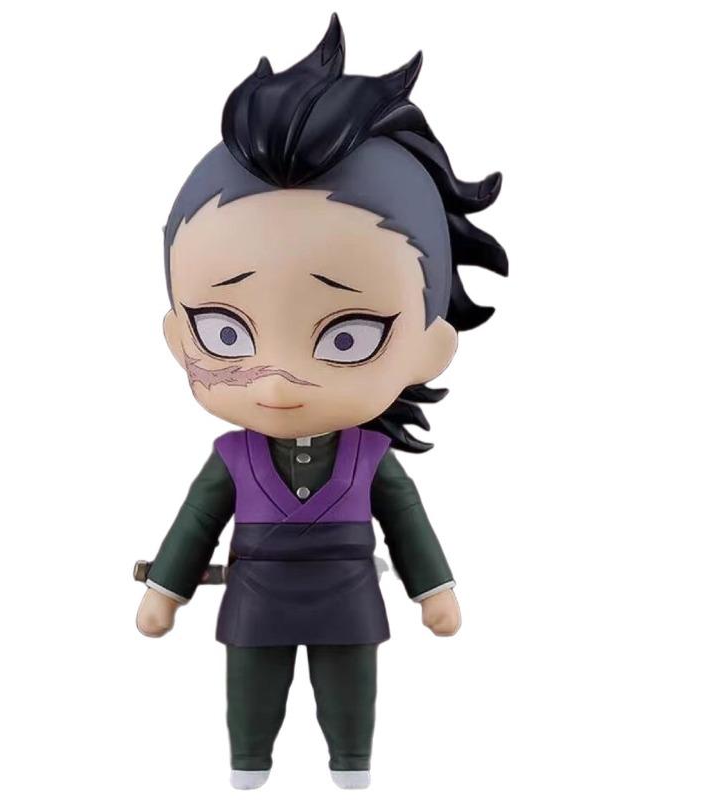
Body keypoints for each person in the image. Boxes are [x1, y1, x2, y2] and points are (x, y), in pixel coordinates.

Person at [135, 14, 507, 790]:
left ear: (429, 348)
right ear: (177, 335)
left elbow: (408, 525)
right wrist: (167, 589)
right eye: (226, 331)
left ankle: (350, 764)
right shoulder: (231, 456)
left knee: (349, 691)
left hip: (346, 597)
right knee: (252, 692)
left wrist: (433, 590)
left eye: (347, 336)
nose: (275, 382)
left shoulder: (373, 457)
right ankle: (249, 762)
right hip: (256, 597)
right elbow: (195, 524)